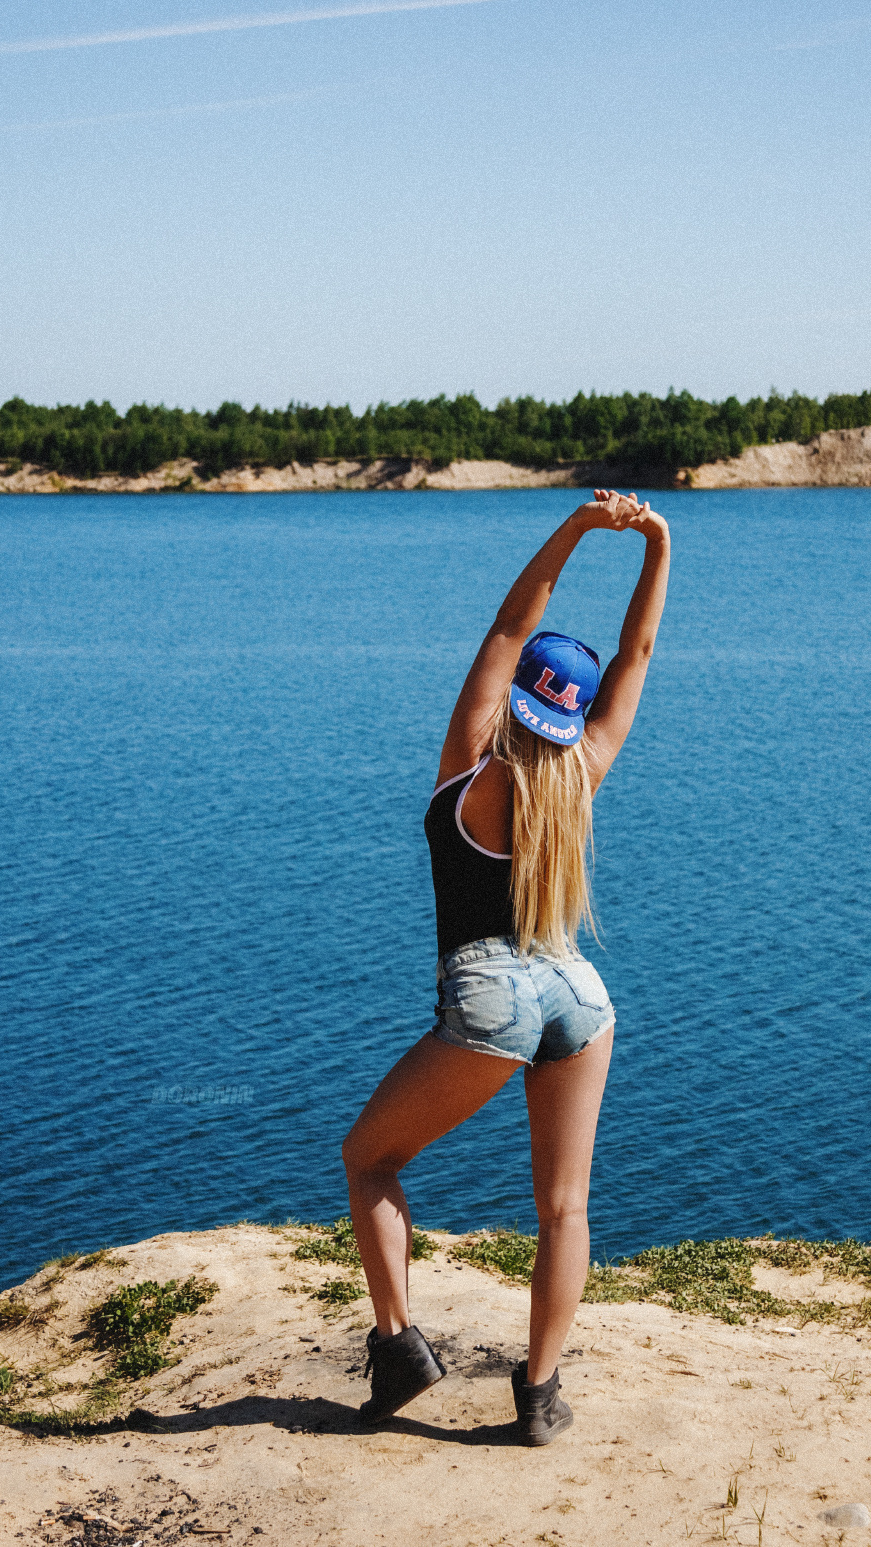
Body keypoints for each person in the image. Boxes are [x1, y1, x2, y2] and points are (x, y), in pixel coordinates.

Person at [339, 489, 673, 1446]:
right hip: (575, 989)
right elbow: (637, 656)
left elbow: (507, 620)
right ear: (573, 717)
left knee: (370, 1157)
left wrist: (575, 528)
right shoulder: (584, 771)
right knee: (565, 1204)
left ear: (516, 696)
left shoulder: (468, 770)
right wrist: (657, 543)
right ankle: (539, 1394)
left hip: (490, 991)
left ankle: (400, 1346)